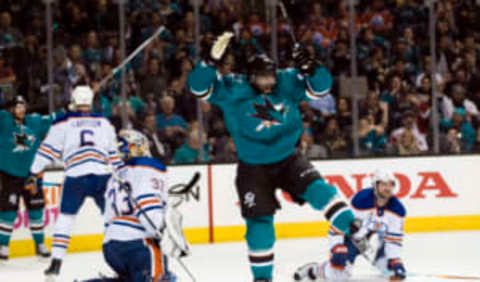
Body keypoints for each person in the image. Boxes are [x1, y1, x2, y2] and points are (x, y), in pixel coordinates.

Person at [187, 32, 362, 282]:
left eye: (271, 76)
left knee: (317, 189)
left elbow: (321, 89)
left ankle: (354, 227)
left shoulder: (287, 81)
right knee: (259, 224)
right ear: (250, 77)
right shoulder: (234, 88)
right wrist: (209, 62)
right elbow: (198, 87)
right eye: (262, 77)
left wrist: (311, 67)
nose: (269, 82)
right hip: (253, 167)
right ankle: (262, 278)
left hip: (288, 158)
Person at [27, 86, 121, 281]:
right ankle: (122, 261)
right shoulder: (104, 122)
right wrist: (122, 175)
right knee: (113, 218)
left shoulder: (64, 122)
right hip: (102, 175)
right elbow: (113, 154)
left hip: (76, 175)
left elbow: (47, 151)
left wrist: (33, 172)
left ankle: (55, 264)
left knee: (65, 219)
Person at [80, 129, 177, 282]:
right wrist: (159, 229)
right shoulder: (149, 167)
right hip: (138, 243)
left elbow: (108, 217)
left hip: (111, 245)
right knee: (161, 279)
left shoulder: (116, 176)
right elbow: (147, 204)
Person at [294, 169, 407, 281]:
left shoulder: (398, 209)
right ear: (375, 185)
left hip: (372, 242)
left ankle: (383, 262)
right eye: (383, 184)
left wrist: (395, 260)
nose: (388, 188)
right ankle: (313, 270)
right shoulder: (360, 201)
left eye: (391, 184)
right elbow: (339, 224)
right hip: (351, 240)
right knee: (338, 275)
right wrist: (337, 246)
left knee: (391, 272)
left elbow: (393, 239)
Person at [0, 96, 62, 260]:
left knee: (36, 210)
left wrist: (71, 109)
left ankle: (40, 244)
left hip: (31, 176)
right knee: (8, 212)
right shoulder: (4, 120)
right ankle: (3, 246)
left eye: (23, 106)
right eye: (18, 106)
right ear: (11, 109)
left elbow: (54, 118)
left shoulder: (34, 121)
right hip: (10, 175)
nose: (21, 109)